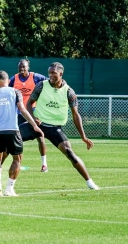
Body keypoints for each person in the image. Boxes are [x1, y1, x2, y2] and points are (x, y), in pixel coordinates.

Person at [21, 62, 100, 190]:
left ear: (61, 74)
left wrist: (83, 137)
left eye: (54, 73)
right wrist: (33, 120)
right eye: (49, 73)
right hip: (37, 125)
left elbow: (76, 115)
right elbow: (29, 103)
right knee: (12, 138)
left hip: (54, 128)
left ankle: (90, 182)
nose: (50, 75)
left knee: (70, 153)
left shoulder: (69, 92)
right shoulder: (41, 85)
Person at [0, 59, 47, 181]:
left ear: (28, 67)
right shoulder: (13, 79)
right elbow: (4, 92)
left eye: (24, 67)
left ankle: (44, 164)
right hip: (18, 114)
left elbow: (49, 84)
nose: (22, 69)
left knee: (40, 137)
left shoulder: (36, 77)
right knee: (10, 141)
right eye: (20, 67)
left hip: (33, 111)